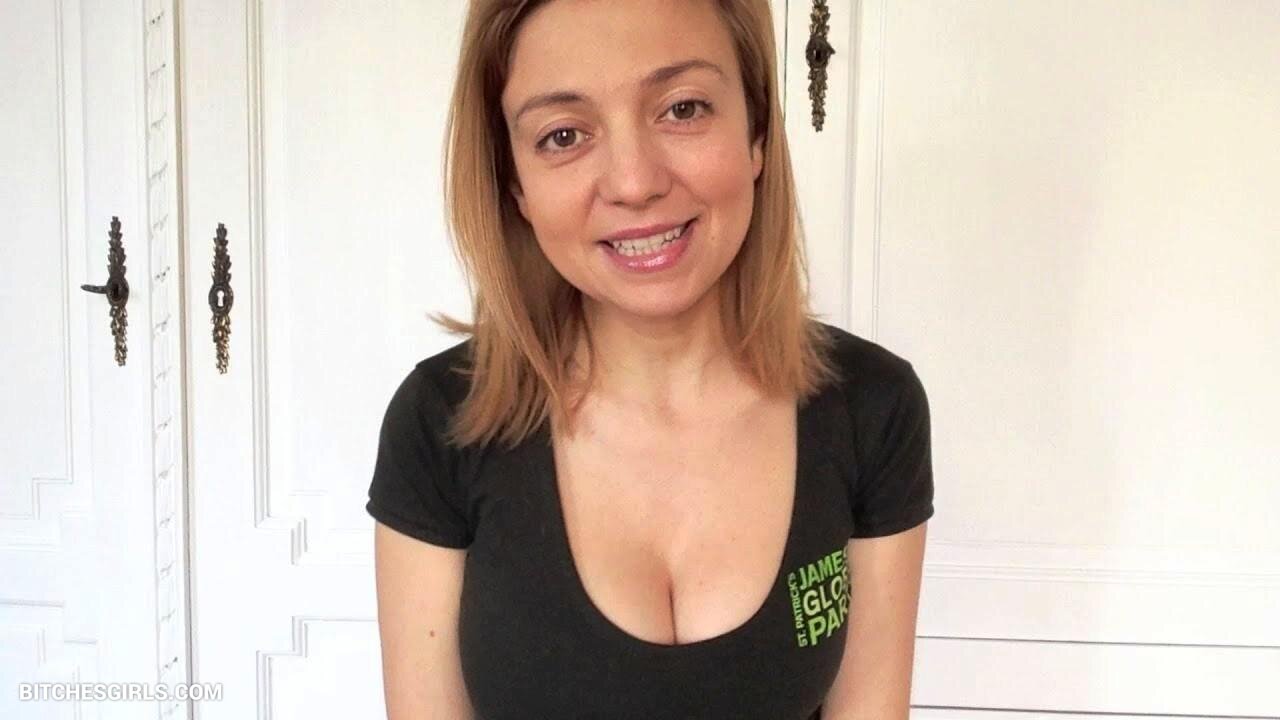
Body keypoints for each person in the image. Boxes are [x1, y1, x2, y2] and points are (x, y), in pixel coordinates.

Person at [365, 0, 934, 717]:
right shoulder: (440, 423)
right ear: (516, 185)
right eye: (563, 135)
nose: (634, 182)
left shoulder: (874, 408)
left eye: (683, 108)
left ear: (757, 133)